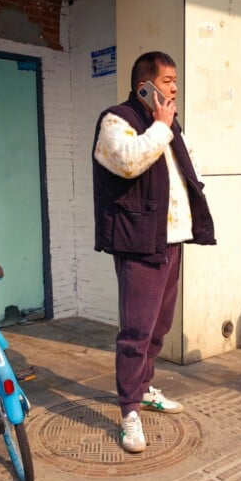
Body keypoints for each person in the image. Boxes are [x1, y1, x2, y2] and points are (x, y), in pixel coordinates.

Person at [91, 51, 216, 452]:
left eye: (175, 80)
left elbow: (188, 167)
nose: (174, 88)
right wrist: (162, 127)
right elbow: (128, 163)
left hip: (171, 239)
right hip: (138, 241)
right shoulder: (116, 121)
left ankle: (144, 388)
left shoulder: (169, 125)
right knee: (136, 332)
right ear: (143, 85)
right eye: (166, 80)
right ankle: (129, 409)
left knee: (159, 328)